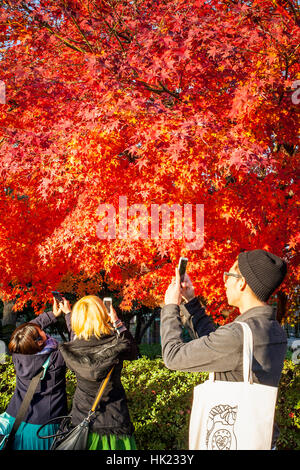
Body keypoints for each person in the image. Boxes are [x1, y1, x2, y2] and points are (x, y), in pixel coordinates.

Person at [160, 249, 288, 450]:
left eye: (229, 275)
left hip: (231, 441)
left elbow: (173, 356)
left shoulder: (237, 335)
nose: (225, 281)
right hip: (258, 440)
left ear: (242, 282)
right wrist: (192, 303)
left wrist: (170, 307)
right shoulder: (273, 330)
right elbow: (219, 347)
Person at [58, 295, 138, 450]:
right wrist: (116, 321)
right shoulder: (117, 343)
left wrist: (68, 314)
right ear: (103, 314)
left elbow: (78, 338)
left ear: (77, 319)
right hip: (115, 420)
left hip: (82, 420)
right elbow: (133, 352)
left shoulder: (70, 349)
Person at [0, 297, 70, 450]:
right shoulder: (56, 359)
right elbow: (79, 344)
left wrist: (52, 314)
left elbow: (25, 331)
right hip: (43, 428)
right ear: (39, 342)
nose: (43, 329)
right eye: (41, 331)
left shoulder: (18, 352)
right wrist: (67, 314)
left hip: (15, 420)